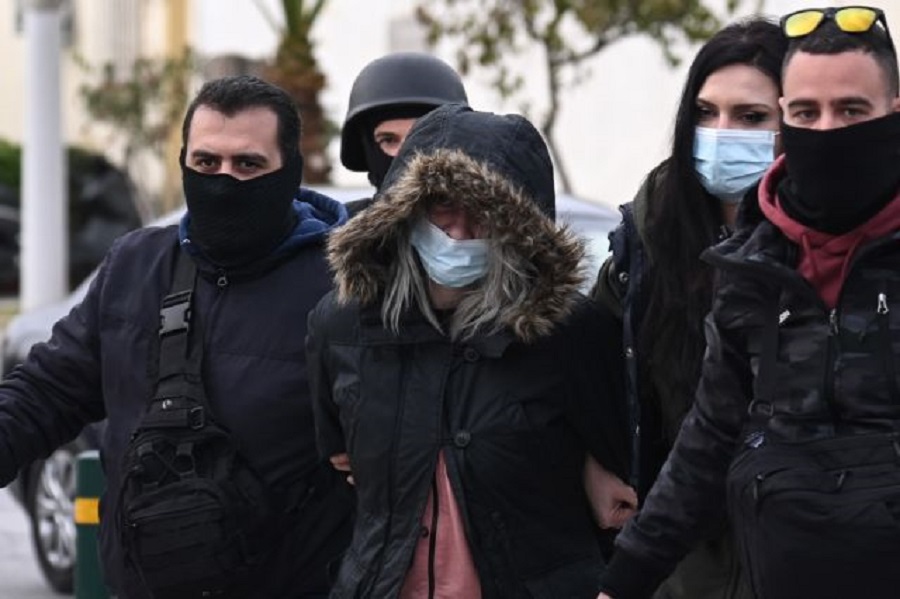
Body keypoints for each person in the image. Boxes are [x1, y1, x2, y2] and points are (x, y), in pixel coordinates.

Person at [0, 75, 354, 598]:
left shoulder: (343, 285)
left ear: (290, 172)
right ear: (184, 163)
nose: (224, 181)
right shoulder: (135, 266)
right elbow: (48, 390)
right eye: (206, 162)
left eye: (248, 164)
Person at [598, 6, 900, 599]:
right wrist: (624, 578)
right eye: (807, 112)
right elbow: (708, 439)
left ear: (892, 114)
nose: (828, 131)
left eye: (851, 111)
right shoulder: (750, 265)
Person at [307, 103, 632, 598]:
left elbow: (618, 474)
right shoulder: (341, 324)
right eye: (442, 206)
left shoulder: (569, 331)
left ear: (518, 226)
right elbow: (340, 466)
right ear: (406, 209)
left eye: (484, 211)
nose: (459, 231)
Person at [588, 17, 787, 599]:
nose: (722, 133)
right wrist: (592, 462)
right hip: (681, 560)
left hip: (800, 550)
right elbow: (583, 356)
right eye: (705, 112)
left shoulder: (827, 250)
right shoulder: (649, 242)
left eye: (751, 117)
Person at [339, 52, 469, 215]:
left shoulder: (492, 224)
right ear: (367, 150)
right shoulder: (333, 226)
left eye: (423, 137)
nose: (406, 155)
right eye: (389, 140)